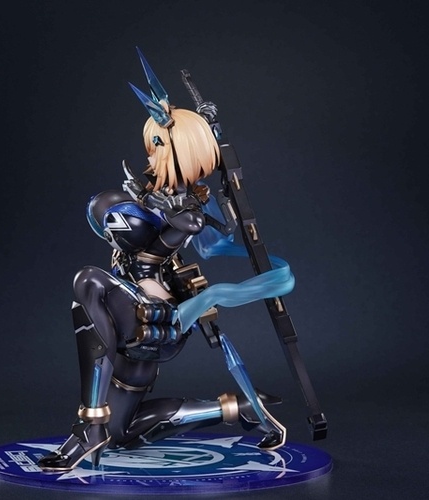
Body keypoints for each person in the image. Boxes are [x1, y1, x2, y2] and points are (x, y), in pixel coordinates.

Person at [38, 52, 288, 472]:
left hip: (151, 311)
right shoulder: (159, 195)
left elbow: (169, 237)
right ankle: (238, 408)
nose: (150, 155)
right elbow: (111, 217)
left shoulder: (187, 211)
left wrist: (173, 212)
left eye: (157, 145)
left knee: (88, 281)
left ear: (180, 151)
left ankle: (89, 427)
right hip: (124, 319)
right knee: (123, 431)